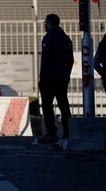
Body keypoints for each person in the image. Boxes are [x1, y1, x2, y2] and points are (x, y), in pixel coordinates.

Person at [37, 14, 73, 144]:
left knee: (47, 106)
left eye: (45, 22)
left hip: (49, 78)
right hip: (63, 77)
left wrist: (43, 78)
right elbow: (71, 60)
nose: (44, 25)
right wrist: (66, 75)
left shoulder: (49, 37)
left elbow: (46, 61)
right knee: (64, 105)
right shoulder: (66, 39)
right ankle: (68, 132)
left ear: (49, 23)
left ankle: (51, 133)